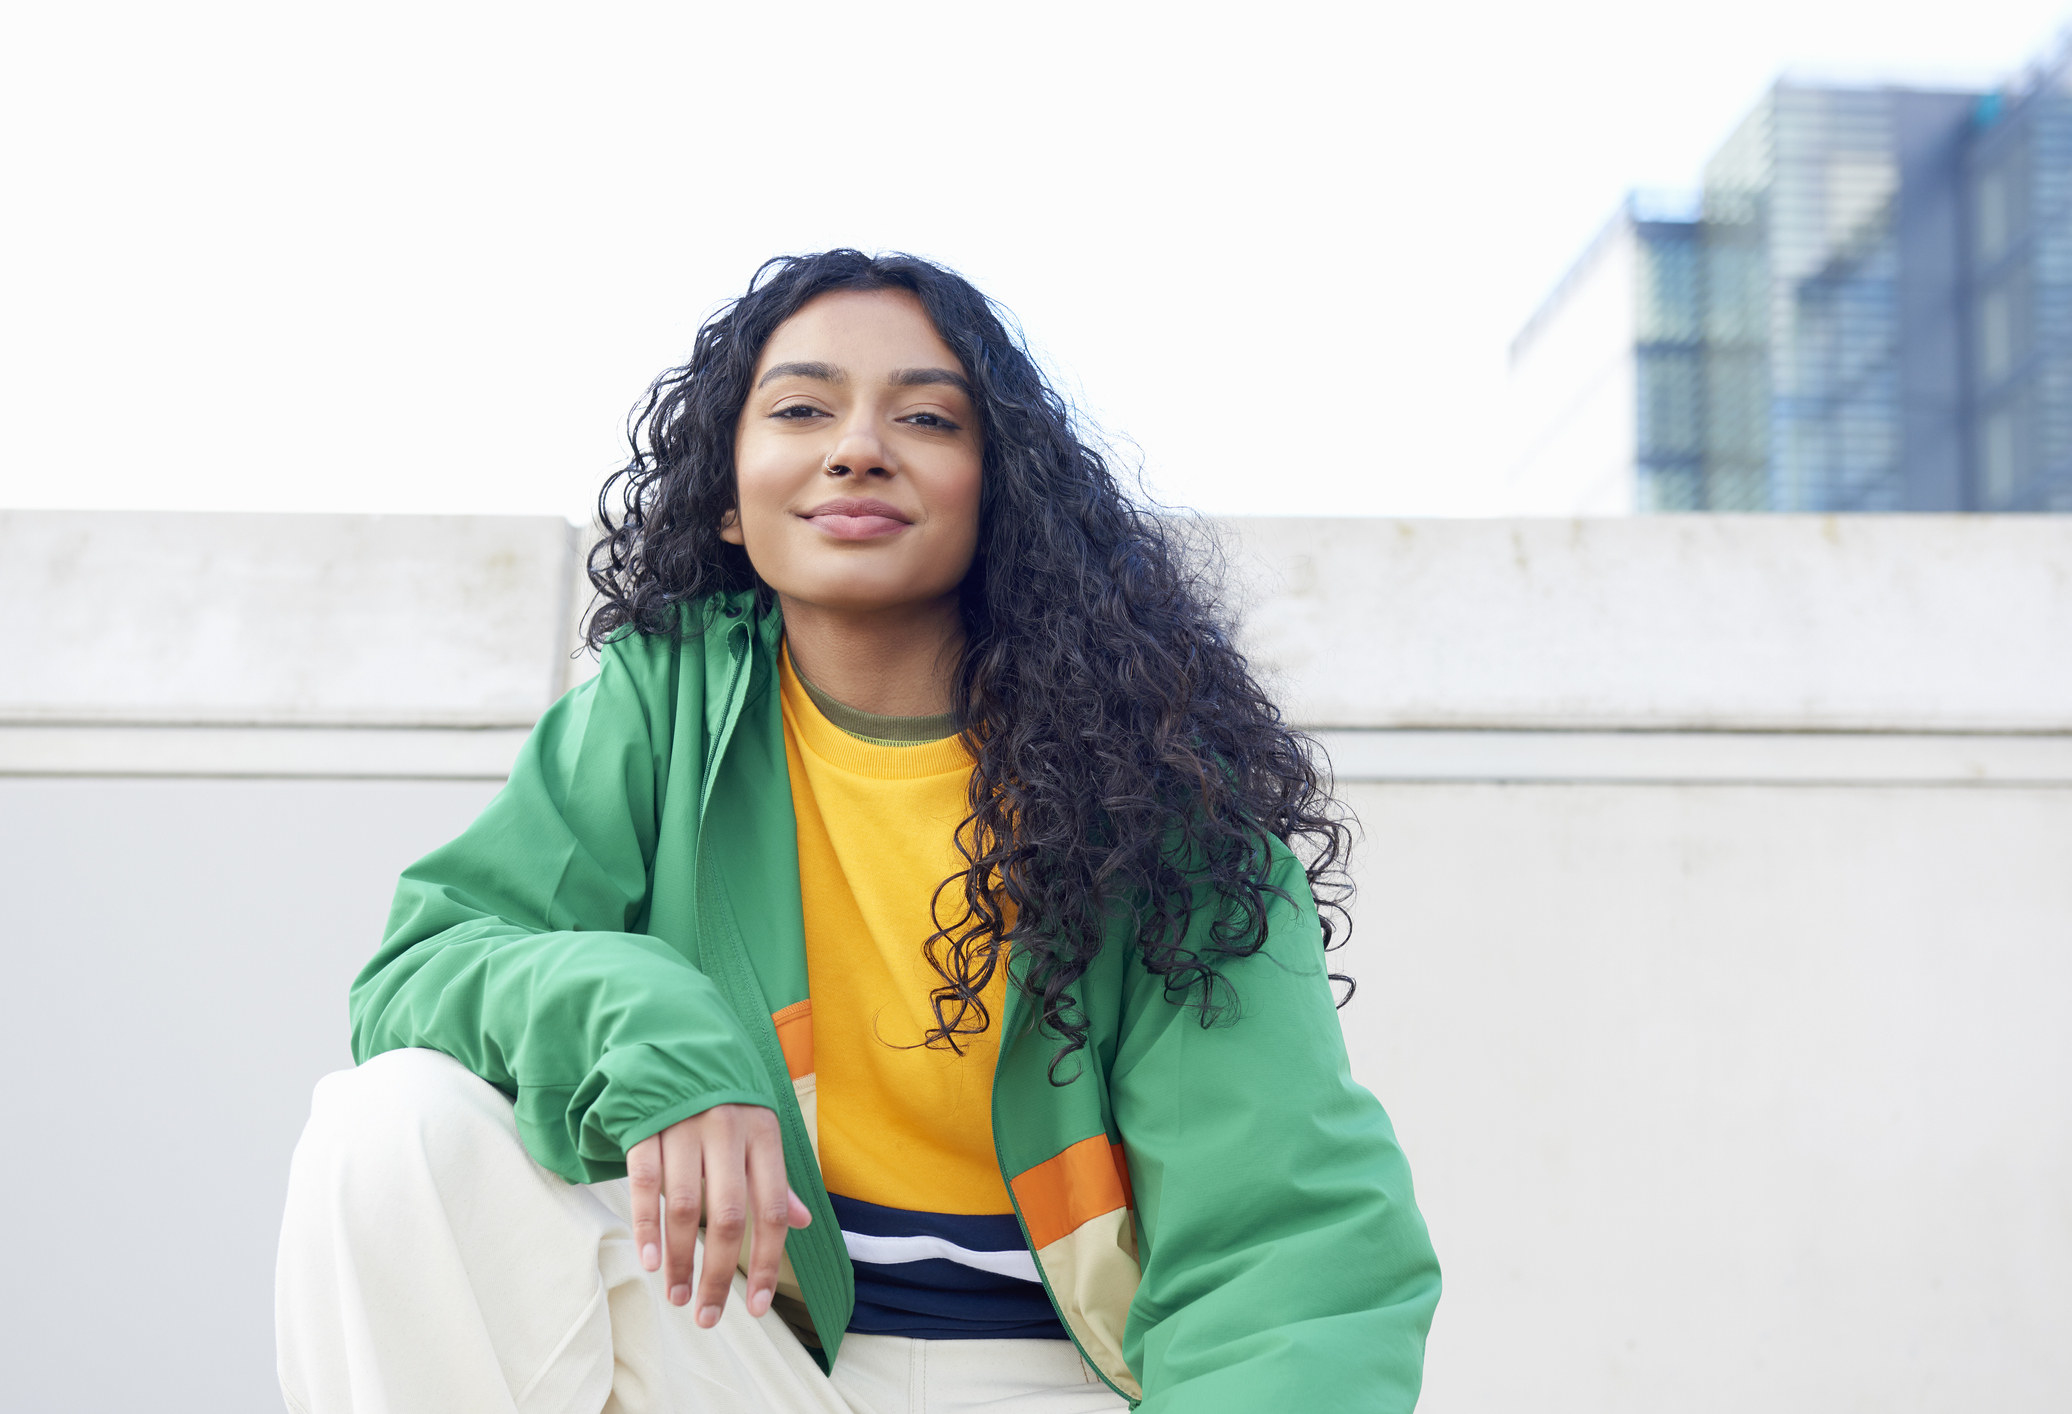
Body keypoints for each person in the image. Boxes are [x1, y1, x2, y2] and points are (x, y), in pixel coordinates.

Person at [275, 250, 1440, 1414]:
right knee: (392, 1124)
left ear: (1001, 493)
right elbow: (422, 970)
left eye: (926, 416)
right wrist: (657, 1032)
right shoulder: (657, 714)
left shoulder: (1155, 788)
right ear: (728, 497)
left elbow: (1284, 1243)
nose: (857, 445)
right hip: (746, 1352)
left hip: (1049, 1380)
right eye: (800, 408)